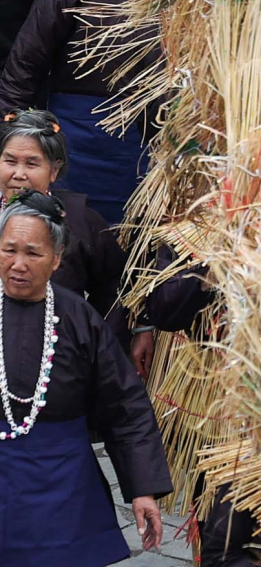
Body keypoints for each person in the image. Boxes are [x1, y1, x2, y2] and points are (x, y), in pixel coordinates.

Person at [0, 189, 170, 567]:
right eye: (8, 250)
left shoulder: (77, 318)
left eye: (32, 253)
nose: (17, 263)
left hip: (57, 477)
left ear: (56, 259)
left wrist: (141, 488)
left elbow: (124, 404)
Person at [0, 0, 150, 228]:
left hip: (140, 149)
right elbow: (22, 72)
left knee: (129, 236)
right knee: (67, 232)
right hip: (75, 145)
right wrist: (11, 144)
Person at [0, 110, 151, 371]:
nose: (19, 174)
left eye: (32, 164)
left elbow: (113, 288)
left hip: (59, 360)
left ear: (54, 170)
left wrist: (98, 354)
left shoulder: (79, 220)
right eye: (10, 161)